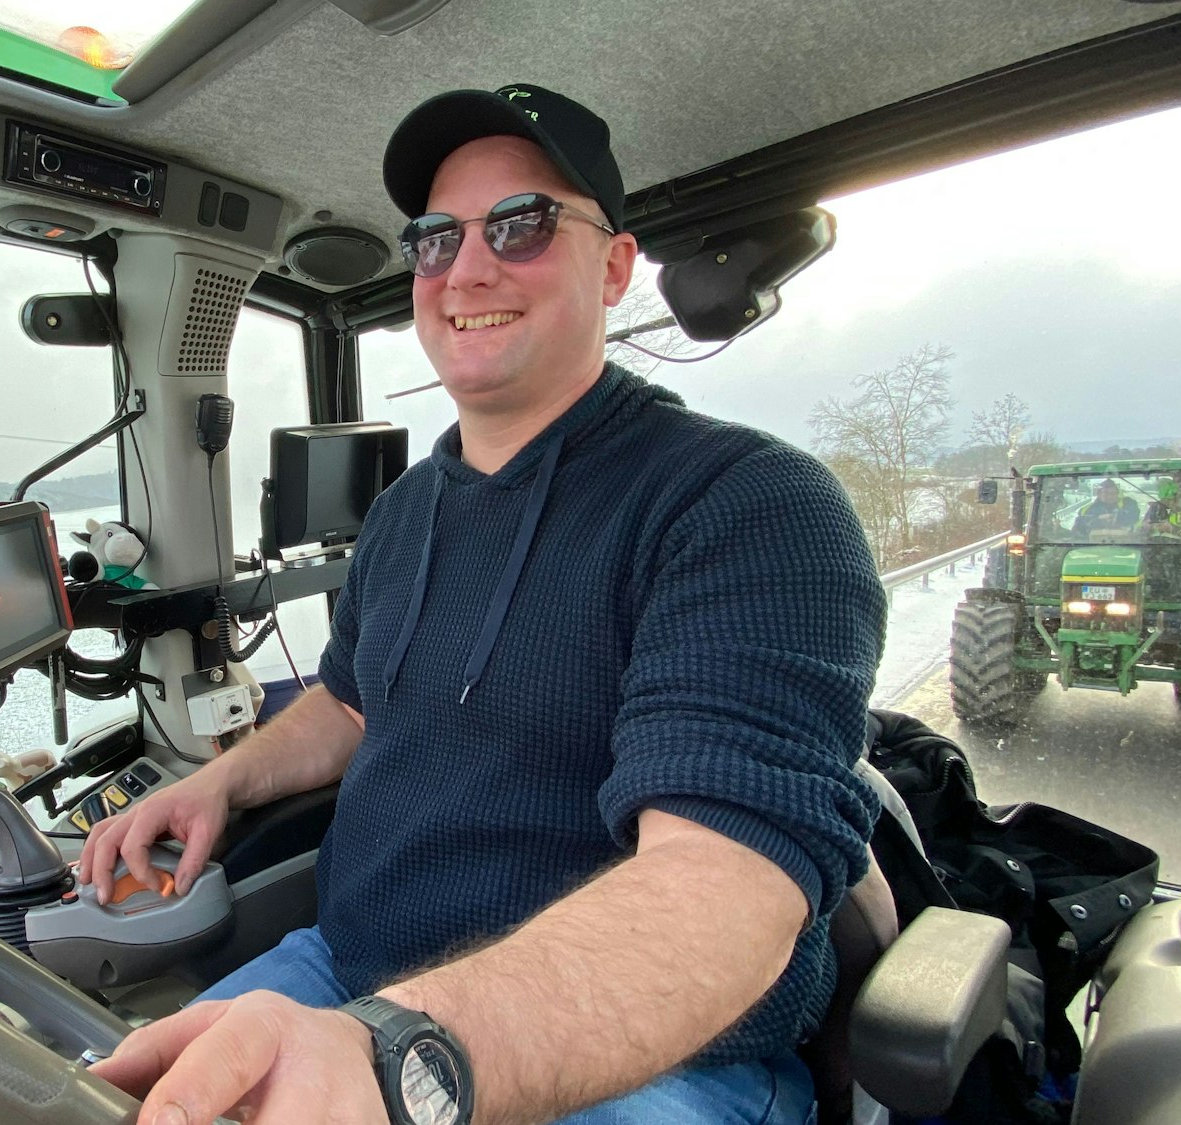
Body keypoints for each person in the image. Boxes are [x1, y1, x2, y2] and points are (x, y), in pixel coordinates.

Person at [84, 84, 885, 1125]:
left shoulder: (741, 504)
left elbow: (726, 890)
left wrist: (398, 1057)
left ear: (611, 265)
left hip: (650, 1061)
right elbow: (351, 703)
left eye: (521, 225)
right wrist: (219, 786)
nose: (465, 269)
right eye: (432, 240)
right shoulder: (404, 510)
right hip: (342, 972)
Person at [1073, 478, 1141, 536]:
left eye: (1113, 493)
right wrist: (1099, 518)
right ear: (1098, 494)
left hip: (1128, 543)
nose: (1110, 496)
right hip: (1093, 545)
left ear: (1118, 493)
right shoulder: (1086, 509)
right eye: (1106, 493)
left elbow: (1133, 518)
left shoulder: (1128, 503)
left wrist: (1114, 518)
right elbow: (1080, 525)